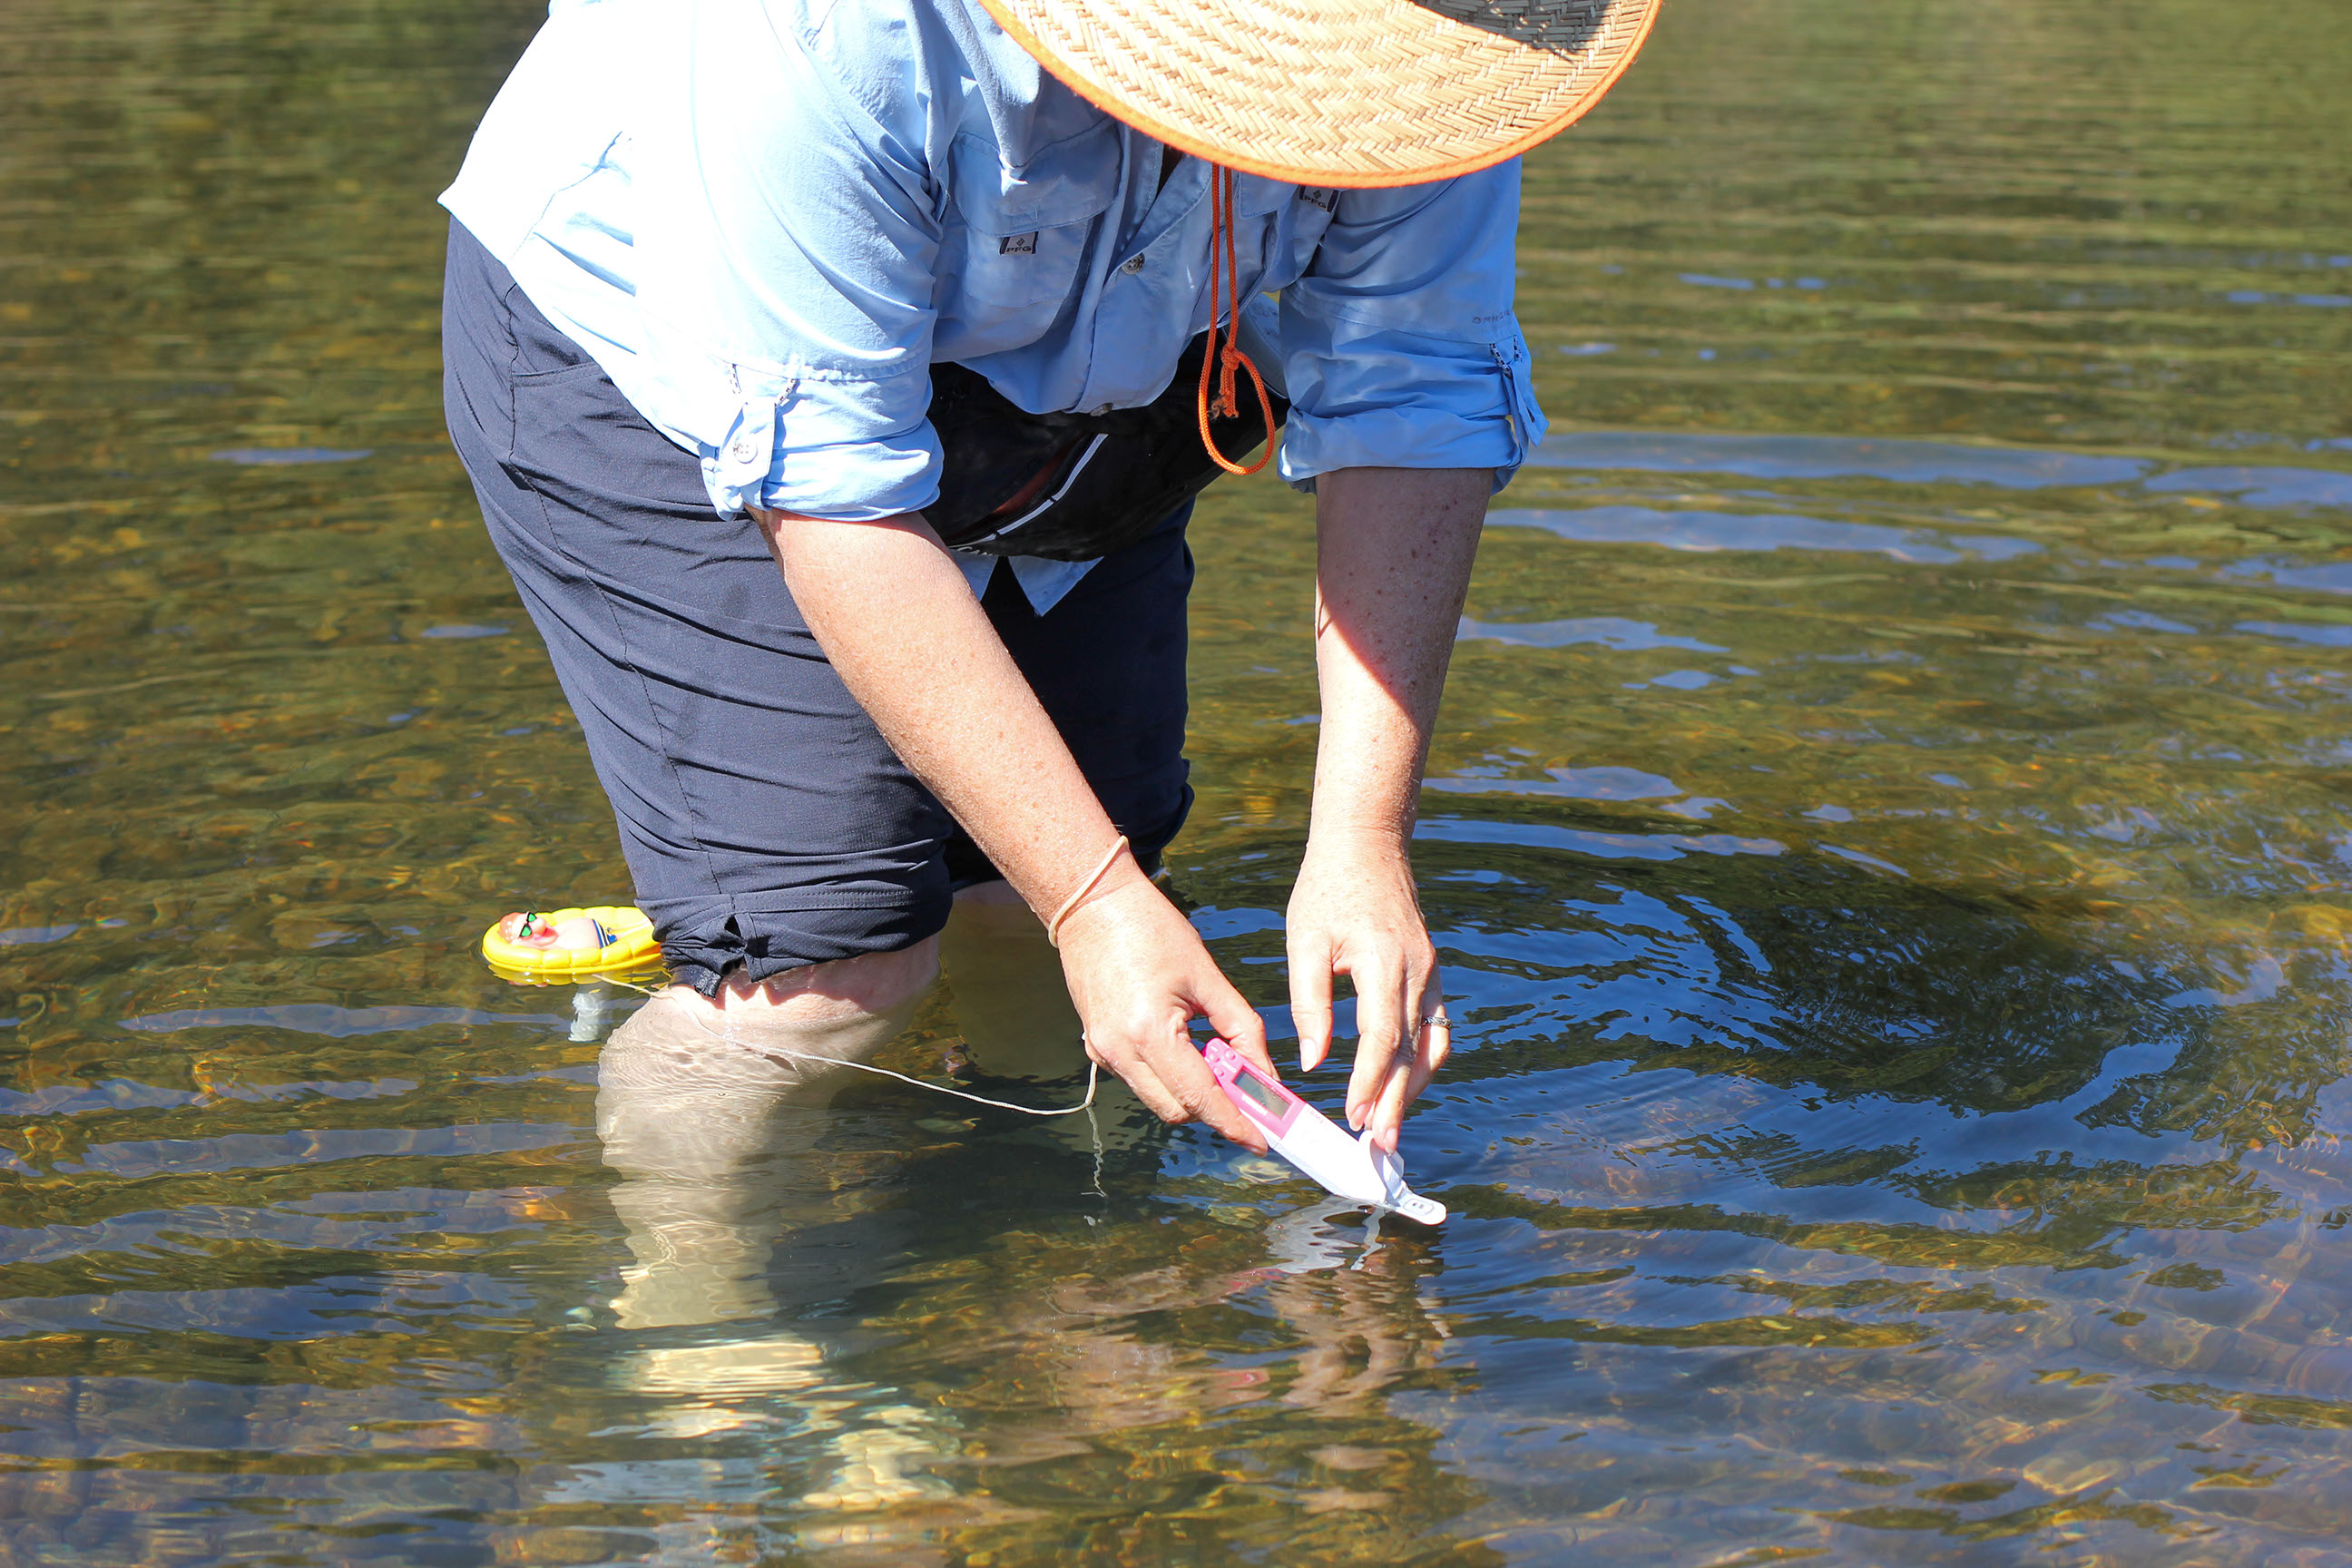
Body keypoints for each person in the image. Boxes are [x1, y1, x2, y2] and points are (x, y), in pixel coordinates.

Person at [442, 0, 1660, 1154]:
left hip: (1099, 380)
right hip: (663, 355)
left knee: (1074, 892)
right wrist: (1092, 902)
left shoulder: (1441, 33)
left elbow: (1417, 391)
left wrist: (1362, 840)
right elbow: (831, 488)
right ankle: (699, 1334)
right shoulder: (822, 30)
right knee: (826, 975)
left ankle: (1051, 1267)